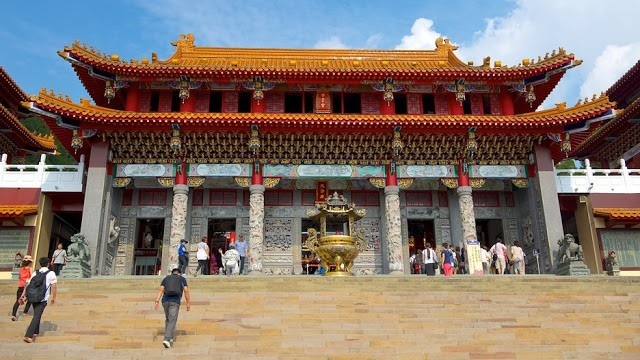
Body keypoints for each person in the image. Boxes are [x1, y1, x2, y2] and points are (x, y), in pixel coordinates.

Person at [20, 257, 57, 343]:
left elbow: (28, 285)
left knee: (37, 314)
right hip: (42, 298)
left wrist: (23, 295)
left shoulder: (35, 273)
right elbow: (54, 286)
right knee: (36, 316)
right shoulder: (51, 273)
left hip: (33, 297)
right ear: (48, 263)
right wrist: (54, 297)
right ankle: (28, 335)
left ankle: (35, 332)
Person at [154, 267, 191, 348]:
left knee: (168, 319)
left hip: (165, 301)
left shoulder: (166, 279)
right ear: (179, 273)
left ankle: (170, 337)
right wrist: (188, 303)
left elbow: (160, 290)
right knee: (172, 320)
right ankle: (167, 339)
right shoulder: (182, 279)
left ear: (172, 272)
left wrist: (157, 301)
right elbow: (186, 290)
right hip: (175, 301)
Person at [11, 255, 33, 321]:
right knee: (30, 300)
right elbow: (32, 277)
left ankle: (14, 315)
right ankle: (25, 312)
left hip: (20, 286)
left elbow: (19, 278)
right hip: (27, 286)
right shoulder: (30, 268)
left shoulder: (21, 269)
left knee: (18, 301)